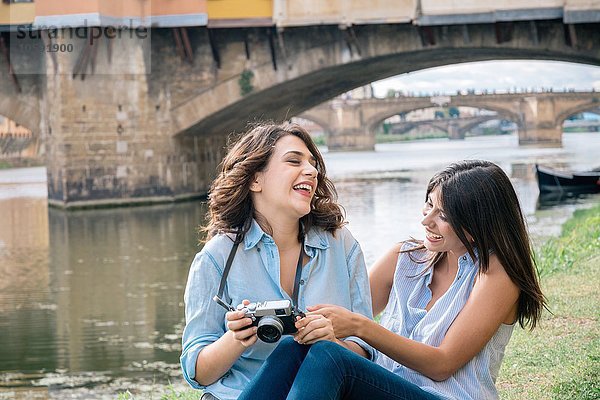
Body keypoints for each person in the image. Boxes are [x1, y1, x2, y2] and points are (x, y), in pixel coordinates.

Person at [239, 160, 547, 400]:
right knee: (296, 349)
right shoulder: (405, 257)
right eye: (429, 204)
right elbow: (345, 314)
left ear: (477, 222)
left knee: (329, 358)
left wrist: (360, 325)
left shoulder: (497, 274)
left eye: (444, 214)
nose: (426, 220)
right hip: (382, 389)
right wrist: (298, 323)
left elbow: (442, 364)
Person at [180, 122, 374, 400]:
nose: (311, 170)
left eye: (313, 163)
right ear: (255, 180)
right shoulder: (217, 256)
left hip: (326, 391)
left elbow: (366, 353)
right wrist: (235, 338)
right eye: (294, 161)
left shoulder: (341, 245)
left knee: (315, 355)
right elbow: (198, 373)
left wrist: (331, 342)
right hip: (245, 393)